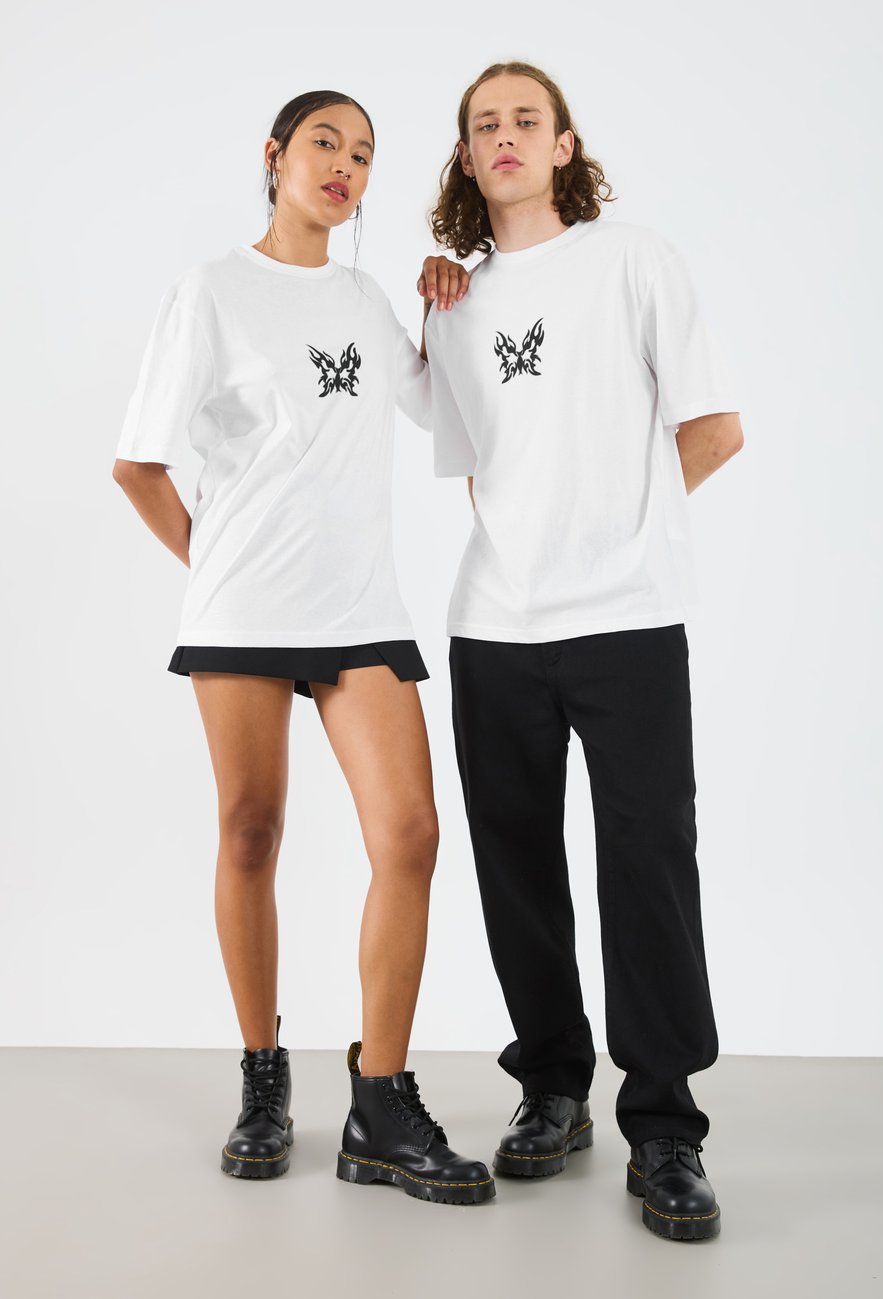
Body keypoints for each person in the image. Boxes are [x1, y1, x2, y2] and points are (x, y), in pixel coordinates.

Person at [112, 90, 494, 1206]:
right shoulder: (210, 292)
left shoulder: (366, 299)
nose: (345, 165)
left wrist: (451, 302)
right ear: (275, 155)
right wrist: (217, 568)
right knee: (250, 830)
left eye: (364, 154)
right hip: (241, 610)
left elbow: (444, 409)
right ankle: (263, 1074)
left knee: (411, 836)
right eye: (326, 142)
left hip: (357, 607)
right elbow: (138, 463)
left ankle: (381, 1102)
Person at [419, 61, 743, 1239]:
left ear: (564, 145)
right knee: (515, 863)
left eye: (526, 119)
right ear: (467, 156)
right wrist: (533, 551)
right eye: (484, 125)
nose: (504, 136)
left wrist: (622, 532)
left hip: (629, 617)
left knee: (648, 861)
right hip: (495, 625)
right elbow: (477, 472)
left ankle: (663, 1126)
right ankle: (553, 1088)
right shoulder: (452, 300)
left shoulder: (636, 261)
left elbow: (715, 427)